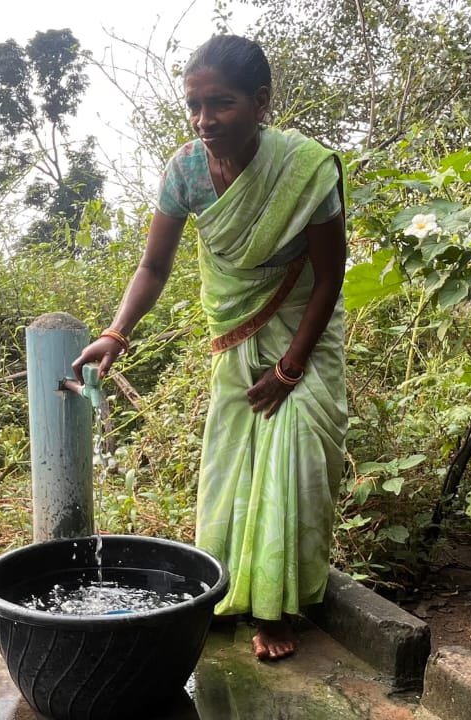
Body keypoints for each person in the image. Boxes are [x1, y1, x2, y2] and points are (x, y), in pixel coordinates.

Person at [71, 34, 348, 661]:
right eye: (193, 105)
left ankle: (278, 611)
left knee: (297, 464)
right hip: (235, 336)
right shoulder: (186, 170)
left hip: (302, 339)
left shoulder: (305, 169)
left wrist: (291, 367)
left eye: (220, 103)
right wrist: (117, 332)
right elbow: (154, 266)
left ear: (260, 102)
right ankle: (225, 593)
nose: (204, 120)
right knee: (234, 470)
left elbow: (331, 276)